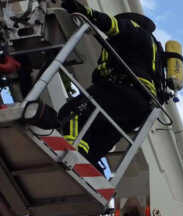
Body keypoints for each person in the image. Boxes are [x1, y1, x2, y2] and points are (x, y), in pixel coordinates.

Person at [39, 1, 166, 166]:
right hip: (140, 109)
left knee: (72, 112)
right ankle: (87, 164)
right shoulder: (154, 52)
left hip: (122, 91)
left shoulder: (134, 29)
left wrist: (83, 11)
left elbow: (113, 25)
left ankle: (69, 151)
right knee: (98, 135)